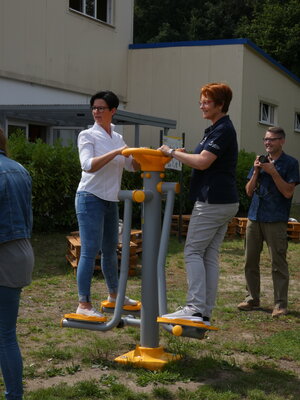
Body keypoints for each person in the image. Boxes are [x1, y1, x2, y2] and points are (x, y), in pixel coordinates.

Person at [158, 82, 239, 325]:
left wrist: (171, 152)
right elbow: (199, 159)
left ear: (220, 104)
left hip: (213, 200)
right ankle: (204, 311)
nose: (201, 105)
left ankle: (194, 307)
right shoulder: (215, 129)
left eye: (206, 102)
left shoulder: (223, 129)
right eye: (201, 101)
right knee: (209, 254)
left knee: (193, 251)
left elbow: (203, 162)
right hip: (224, 201)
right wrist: (182, 154)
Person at [75, 90, 140, 318]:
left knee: (111, 251)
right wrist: (116, 153)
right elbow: (88, 165)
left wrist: (162, 155)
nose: (96, 112)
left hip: (110, 200)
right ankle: (83, 305)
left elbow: (133, 166)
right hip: (90, 198)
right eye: (94, 108)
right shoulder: (87, 136)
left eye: (101, 108)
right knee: (89, 251)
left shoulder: (118, 137)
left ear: (113, 111)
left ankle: (114, 296)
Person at [237, 126, 299, 317]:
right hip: (255, 218)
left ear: (282, 141)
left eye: (271, 139)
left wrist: (273, 172)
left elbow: (288, 192)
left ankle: (280, 304)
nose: (267, 143)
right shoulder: (260, 161)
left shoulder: (291, 163)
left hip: (276, 219)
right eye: (265, 139)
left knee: (277, 263)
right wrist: (256, 171)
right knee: (250, 261)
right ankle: (252, 299)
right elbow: (248, 191)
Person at [0, 128, 34, 400]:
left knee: (4, 336)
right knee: (6, 335)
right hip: (20, 252)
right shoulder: (19, 169)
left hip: (3, 254)